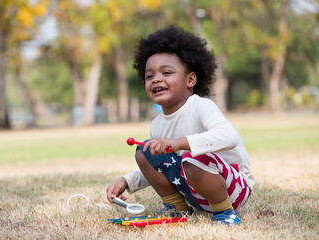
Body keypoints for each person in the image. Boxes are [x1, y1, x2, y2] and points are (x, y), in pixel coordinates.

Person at [106, 25, 255, 226]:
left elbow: (229, 136)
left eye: (167, 72)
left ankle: (224, 213)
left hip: (232, 189)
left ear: (191, 79)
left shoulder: (201, 106)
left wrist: (179, 143)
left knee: (191, 157)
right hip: (193, 190)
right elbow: (162, 166)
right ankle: (178, 209)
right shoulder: (158, 124)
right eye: (149, 76)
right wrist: (126, 181)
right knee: (145, 151)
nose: (157, 79)